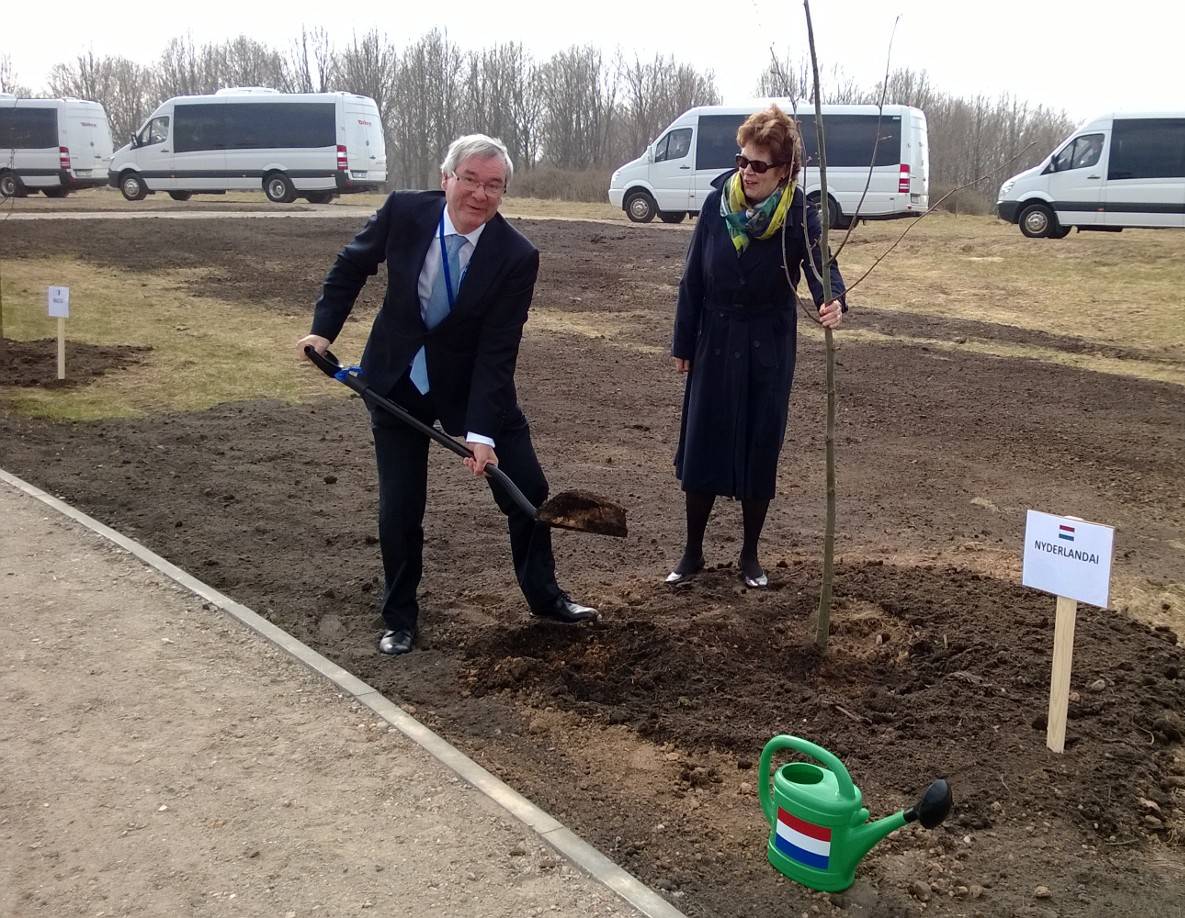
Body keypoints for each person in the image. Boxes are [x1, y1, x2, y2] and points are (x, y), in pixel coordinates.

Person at [296, 134, 597, 657]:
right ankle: (399, 617)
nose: (480, 195)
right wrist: (325, 331)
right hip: (396, 379)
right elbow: (351, 266)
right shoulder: (404, 213)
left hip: (469, 386)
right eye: (472, 180)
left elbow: (498, 351)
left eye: (494, 185)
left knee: (527, 488)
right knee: (401, 506)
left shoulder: (516, 255)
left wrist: (481, 432)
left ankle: (545, 598)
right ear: (448, 180)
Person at [667, 106, 847, 589]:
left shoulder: (799, 213)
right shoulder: (715, 206)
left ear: (784, 170)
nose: (747, 172)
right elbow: (692, 279)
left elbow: (821, 267)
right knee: (704, 442)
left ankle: (749, 555)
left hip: (768, 343)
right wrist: (683, 340)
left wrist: (833, 302)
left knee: (759, 445)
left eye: (759, 165)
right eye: (743, 161)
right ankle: (691, 553)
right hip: (715, 339)